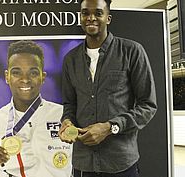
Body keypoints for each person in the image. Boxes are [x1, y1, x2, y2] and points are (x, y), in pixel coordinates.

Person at [58, 0, 157, 177]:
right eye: (85, 13)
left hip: (120, 163)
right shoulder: (70, 60)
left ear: (108, 18)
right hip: (83, 164)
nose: (91, 18)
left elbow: (147, 106)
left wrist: (110, 127)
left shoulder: (132, 51)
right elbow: (69, 104)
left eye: (97, 13)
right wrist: (67, 122)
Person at [0, 40, 72, 177]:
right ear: (7, 77)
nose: (25, 79)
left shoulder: (65, 117)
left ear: (43, 77)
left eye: (33, 73)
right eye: (16, 73)